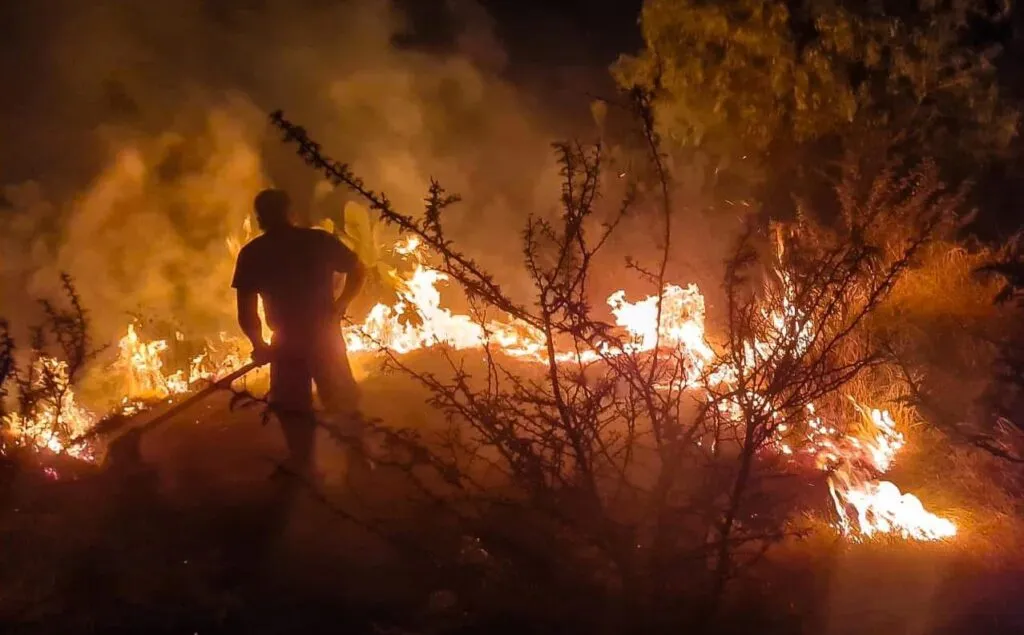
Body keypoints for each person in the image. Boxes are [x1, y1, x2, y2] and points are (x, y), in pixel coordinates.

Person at [231, 188, 367, 479]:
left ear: (260, 219)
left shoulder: (254, 253)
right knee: (341, 400)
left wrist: (259, 344)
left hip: (287, 340)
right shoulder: (317, 240)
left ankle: (303, 463)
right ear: (290, 212)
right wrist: (342, 303)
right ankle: (357, 460)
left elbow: (246, 311)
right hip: (323, 335)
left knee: (292, 407)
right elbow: (358, 269)